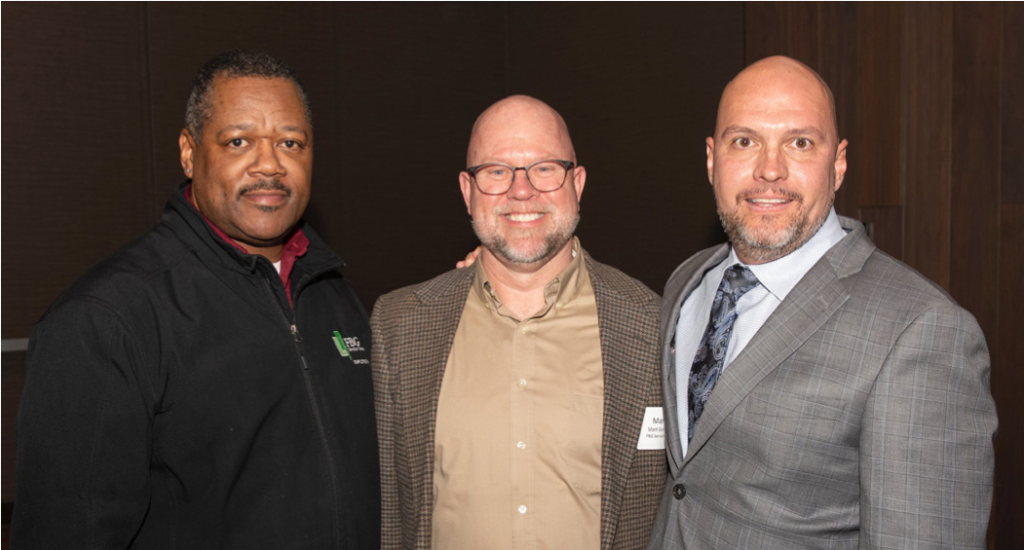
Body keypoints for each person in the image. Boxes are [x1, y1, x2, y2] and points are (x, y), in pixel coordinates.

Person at [12, 50, 379, 549]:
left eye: (291, 142)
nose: (270, 164)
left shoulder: (332, 294)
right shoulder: (108, 320)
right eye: (239, 141)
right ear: (189, 152)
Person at [647, 55, 997, 550]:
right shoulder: (689, 281)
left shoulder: (923, 330)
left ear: (838, 164)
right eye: (744, 141)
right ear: (711, 159)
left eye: (800, 142)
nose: (770, 169)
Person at [373, 95, 666, 550]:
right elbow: (391, 516)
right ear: (468, 192)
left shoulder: (654, 327)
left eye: (545, 167)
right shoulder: (400, 327)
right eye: (496, 172)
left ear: (578, 182)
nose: (522, 190)